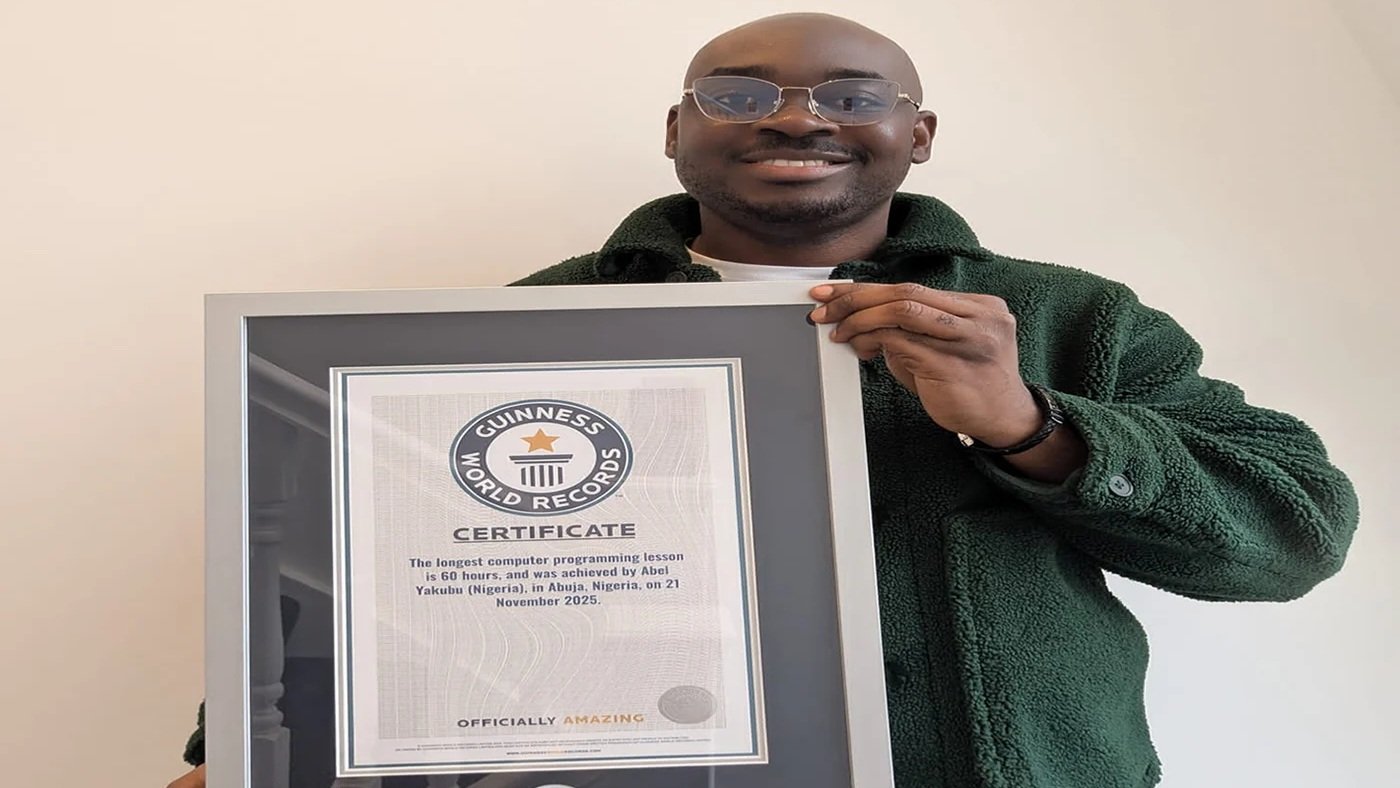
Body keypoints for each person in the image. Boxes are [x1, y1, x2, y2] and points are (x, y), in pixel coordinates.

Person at [169, 12, 1358, 788]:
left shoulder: (1066, 317)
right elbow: (384, 560)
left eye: (851, 95)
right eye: (737, 96)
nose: (795, 117)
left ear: (918, 133)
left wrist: (1035, 425)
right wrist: (235, 750)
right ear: (677, 129)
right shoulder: (520, 323)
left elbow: (1292, 534)